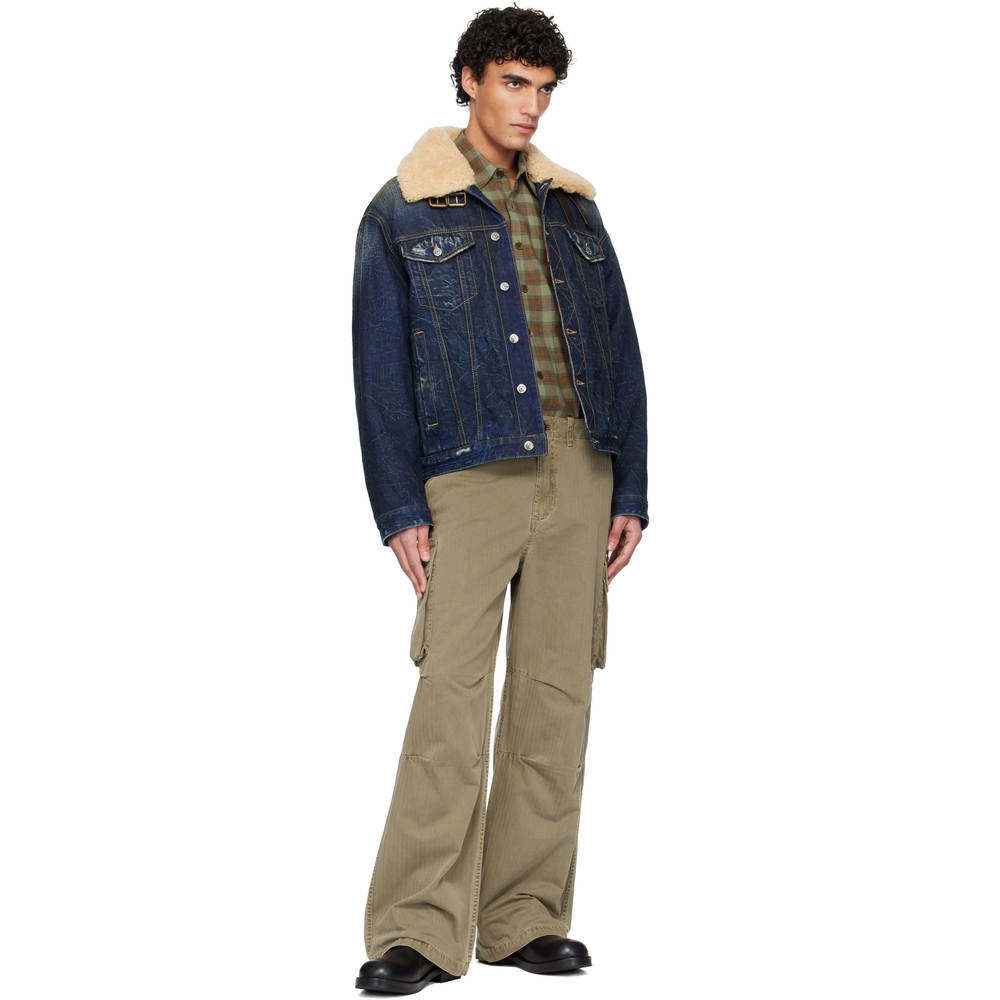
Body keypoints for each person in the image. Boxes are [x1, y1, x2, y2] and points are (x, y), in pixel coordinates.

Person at [351, 6, 648, 992]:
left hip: (581, 468)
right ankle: (416, 928)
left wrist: (631, 485)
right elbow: (378, 370)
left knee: (556, 698)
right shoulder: (402, 209)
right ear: (470, 80)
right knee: (451, 697)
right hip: (470, 473)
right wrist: (400, 505)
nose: (532, 106)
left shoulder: (573, 210)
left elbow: (622, 351)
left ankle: (523, 916)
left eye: (545, 89)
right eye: (515, 83)